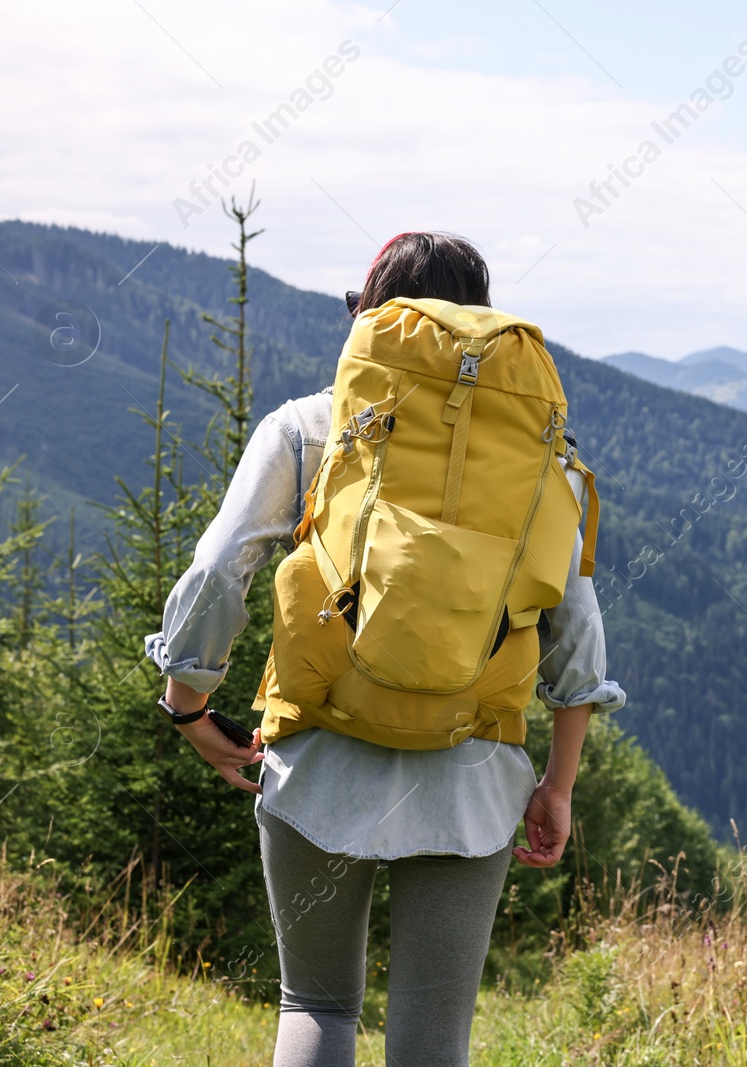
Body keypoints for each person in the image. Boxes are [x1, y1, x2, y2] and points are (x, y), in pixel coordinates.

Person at [143, 231, 624, 1067]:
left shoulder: (307, 427)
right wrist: (558, 784)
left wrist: (188, 706)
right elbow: (575, 636)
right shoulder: (539, 450)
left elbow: (221, 568)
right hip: (471, 774)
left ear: (369, 317)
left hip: (322, 750)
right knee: (434, 1036)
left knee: (318, 1005)